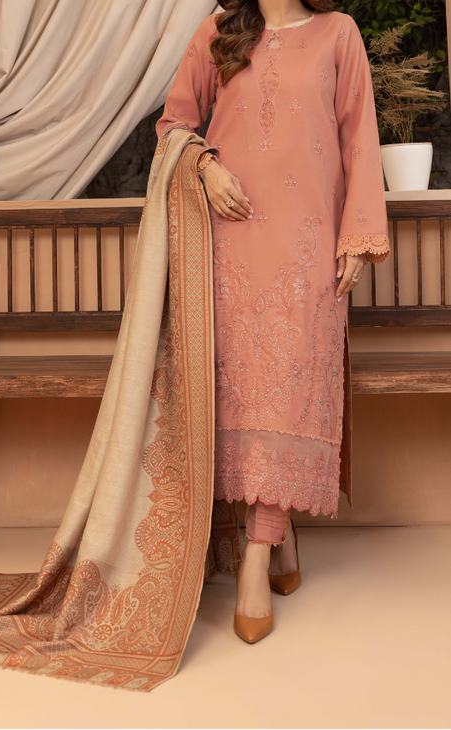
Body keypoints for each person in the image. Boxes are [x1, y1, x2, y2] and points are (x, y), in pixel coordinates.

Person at [156, 0, 390, 642]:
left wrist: (357, 235)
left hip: (308, 248)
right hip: (229, 246)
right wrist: (204, 168)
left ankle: (257, 555)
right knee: (240, 397)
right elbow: (174, 123)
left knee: (289, 396)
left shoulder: (338, 33)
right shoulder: (220, 30)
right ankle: (276, 543)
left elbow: (359, 137)